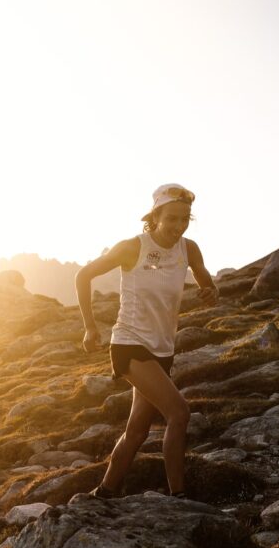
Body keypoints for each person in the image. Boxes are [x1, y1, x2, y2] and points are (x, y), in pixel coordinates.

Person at [76, 183, 218, 499]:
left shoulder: (189, 248)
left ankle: (105, 492)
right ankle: (179, 495)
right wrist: (90, 327)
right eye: (172, 219)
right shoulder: (132, 247)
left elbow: (206, 282)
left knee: (137, 432)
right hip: (129, 343)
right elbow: (83, 276)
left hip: (162, 349)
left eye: (185, 219)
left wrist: (209, 291)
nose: (178, 227)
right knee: (179, 413)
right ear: (155, 216)